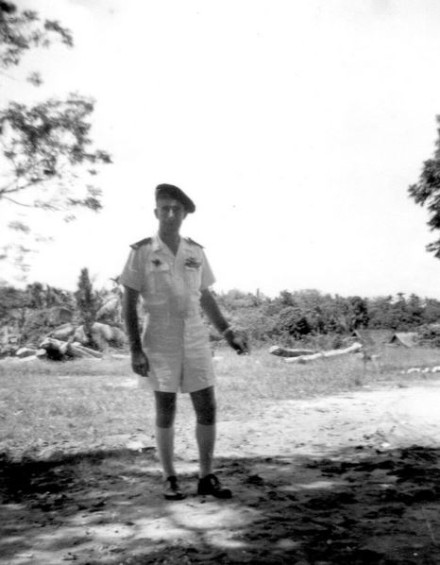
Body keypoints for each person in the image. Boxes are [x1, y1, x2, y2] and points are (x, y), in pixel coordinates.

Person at [120, 183, 248, 501]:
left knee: (207, 406)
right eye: (165, 208)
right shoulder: (141, 252)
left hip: (194, 334)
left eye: (177, 209)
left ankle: (206, 477)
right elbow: (129, 303)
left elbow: (205, 296)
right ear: (156, 212)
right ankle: (170, 478)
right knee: (166, 409)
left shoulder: (195, 252)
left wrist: (227, 331)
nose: (171, 214)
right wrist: (135, 348)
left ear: (185, 214)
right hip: (158, 336)